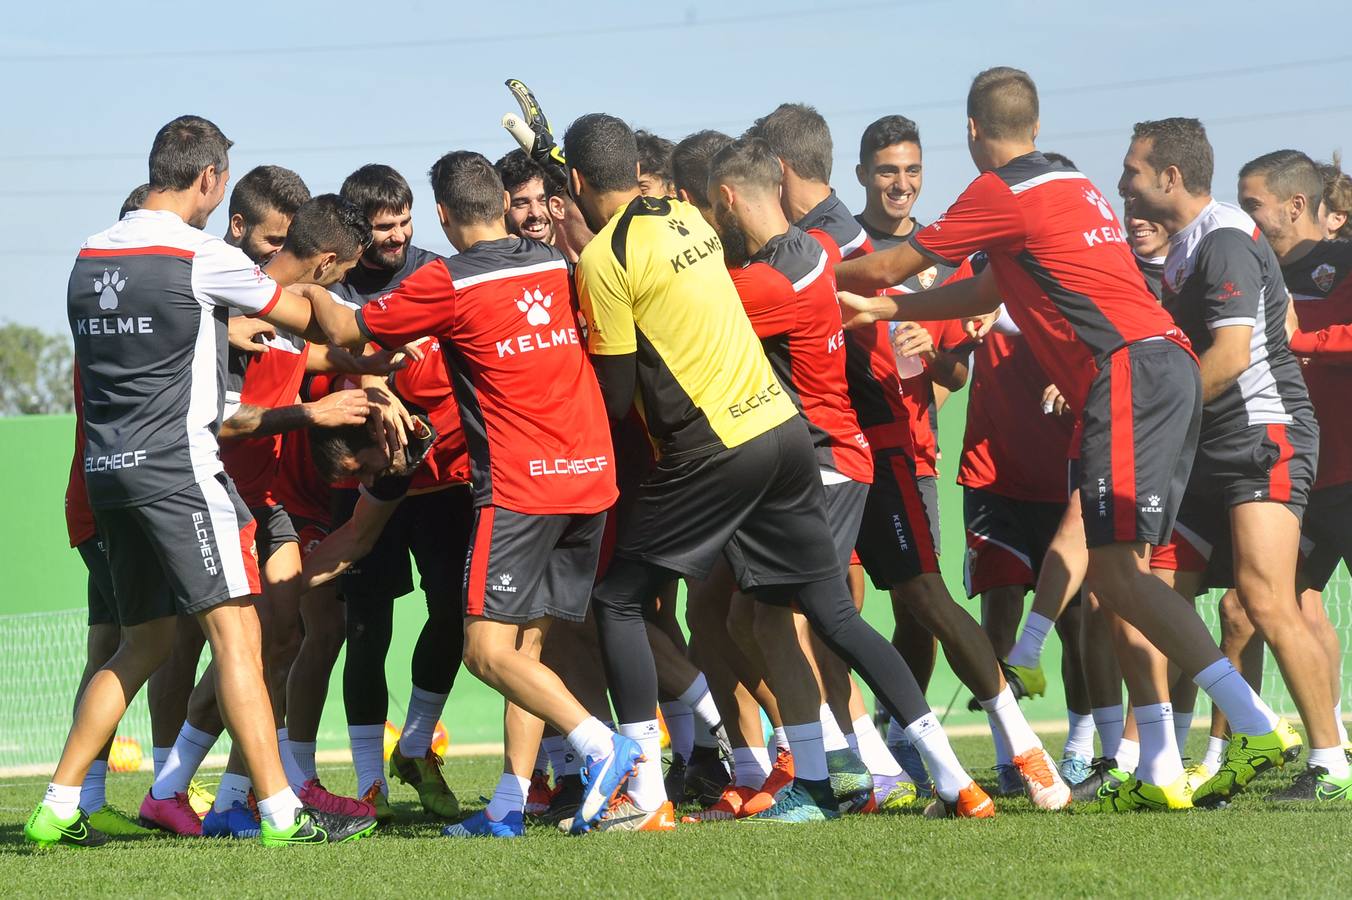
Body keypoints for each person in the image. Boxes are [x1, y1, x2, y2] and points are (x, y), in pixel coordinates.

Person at [837, 67, 1293, 815]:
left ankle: (1248, 722)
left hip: (1127, 373)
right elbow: (986, 290)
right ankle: (1164, 763)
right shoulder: (1070, 182)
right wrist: (885, 310)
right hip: (1163, 367)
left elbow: (896, 260)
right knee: (1123, 578)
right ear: (1038, 128)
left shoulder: (999, 193)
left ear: (973, 132)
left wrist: (791, 282)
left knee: (1116, 578)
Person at [566, 111, 984, 825]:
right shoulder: (749, 239)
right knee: (801, 615)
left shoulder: (662, 263)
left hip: (744, 450)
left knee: (616, 601)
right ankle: (946, 782)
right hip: (790, 438)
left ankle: (649, 798)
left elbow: (624, 379)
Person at [28, 115, 374, 848]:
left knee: (141, 646)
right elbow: (302, 313)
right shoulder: (198, 254)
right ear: (210, 179)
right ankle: (283, 814)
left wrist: (220, 328)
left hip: (108, 473)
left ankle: (59, 803)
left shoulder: (90, 253)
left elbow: (151, 342)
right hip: (180, 471)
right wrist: (341, 325)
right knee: (239, 635)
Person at [312, 149, 644, 838]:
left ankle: (601, 744)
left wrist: (284, 282)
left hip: (522, 487)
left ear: (439, 214)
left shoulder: (449, 281)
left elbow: (346, 330)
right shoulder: (553, 261)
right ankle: (508, 804)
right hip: (592, 478)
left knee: (486, 652)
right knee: (526, 652)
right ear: (500, 199)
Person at [752, 101, 1069, 810]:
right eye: (889, 170)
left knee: (919, 599)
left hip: (896, 450)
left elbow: (954, 370)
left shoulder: (897, 258)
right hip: (835, 450)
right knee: (830, 605)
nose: (901, 183)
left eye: (912, 171)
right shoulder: (828, 241)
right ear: (862, 173)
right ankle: (866, 758)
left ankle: (1017, 746)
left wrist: (934, 350)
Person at [331, 163, 467, 820]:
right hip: (369, 483)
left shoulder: (439, 274)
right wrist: (376, 393)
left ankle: (415, 747)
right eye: (386, 227)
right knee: (367, 632)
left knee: (455, 614)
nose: (399, 236)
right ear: (359, 229)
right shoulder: (332, 287)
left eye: (406, 222)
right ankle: (368, 786)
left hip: (444, 480)